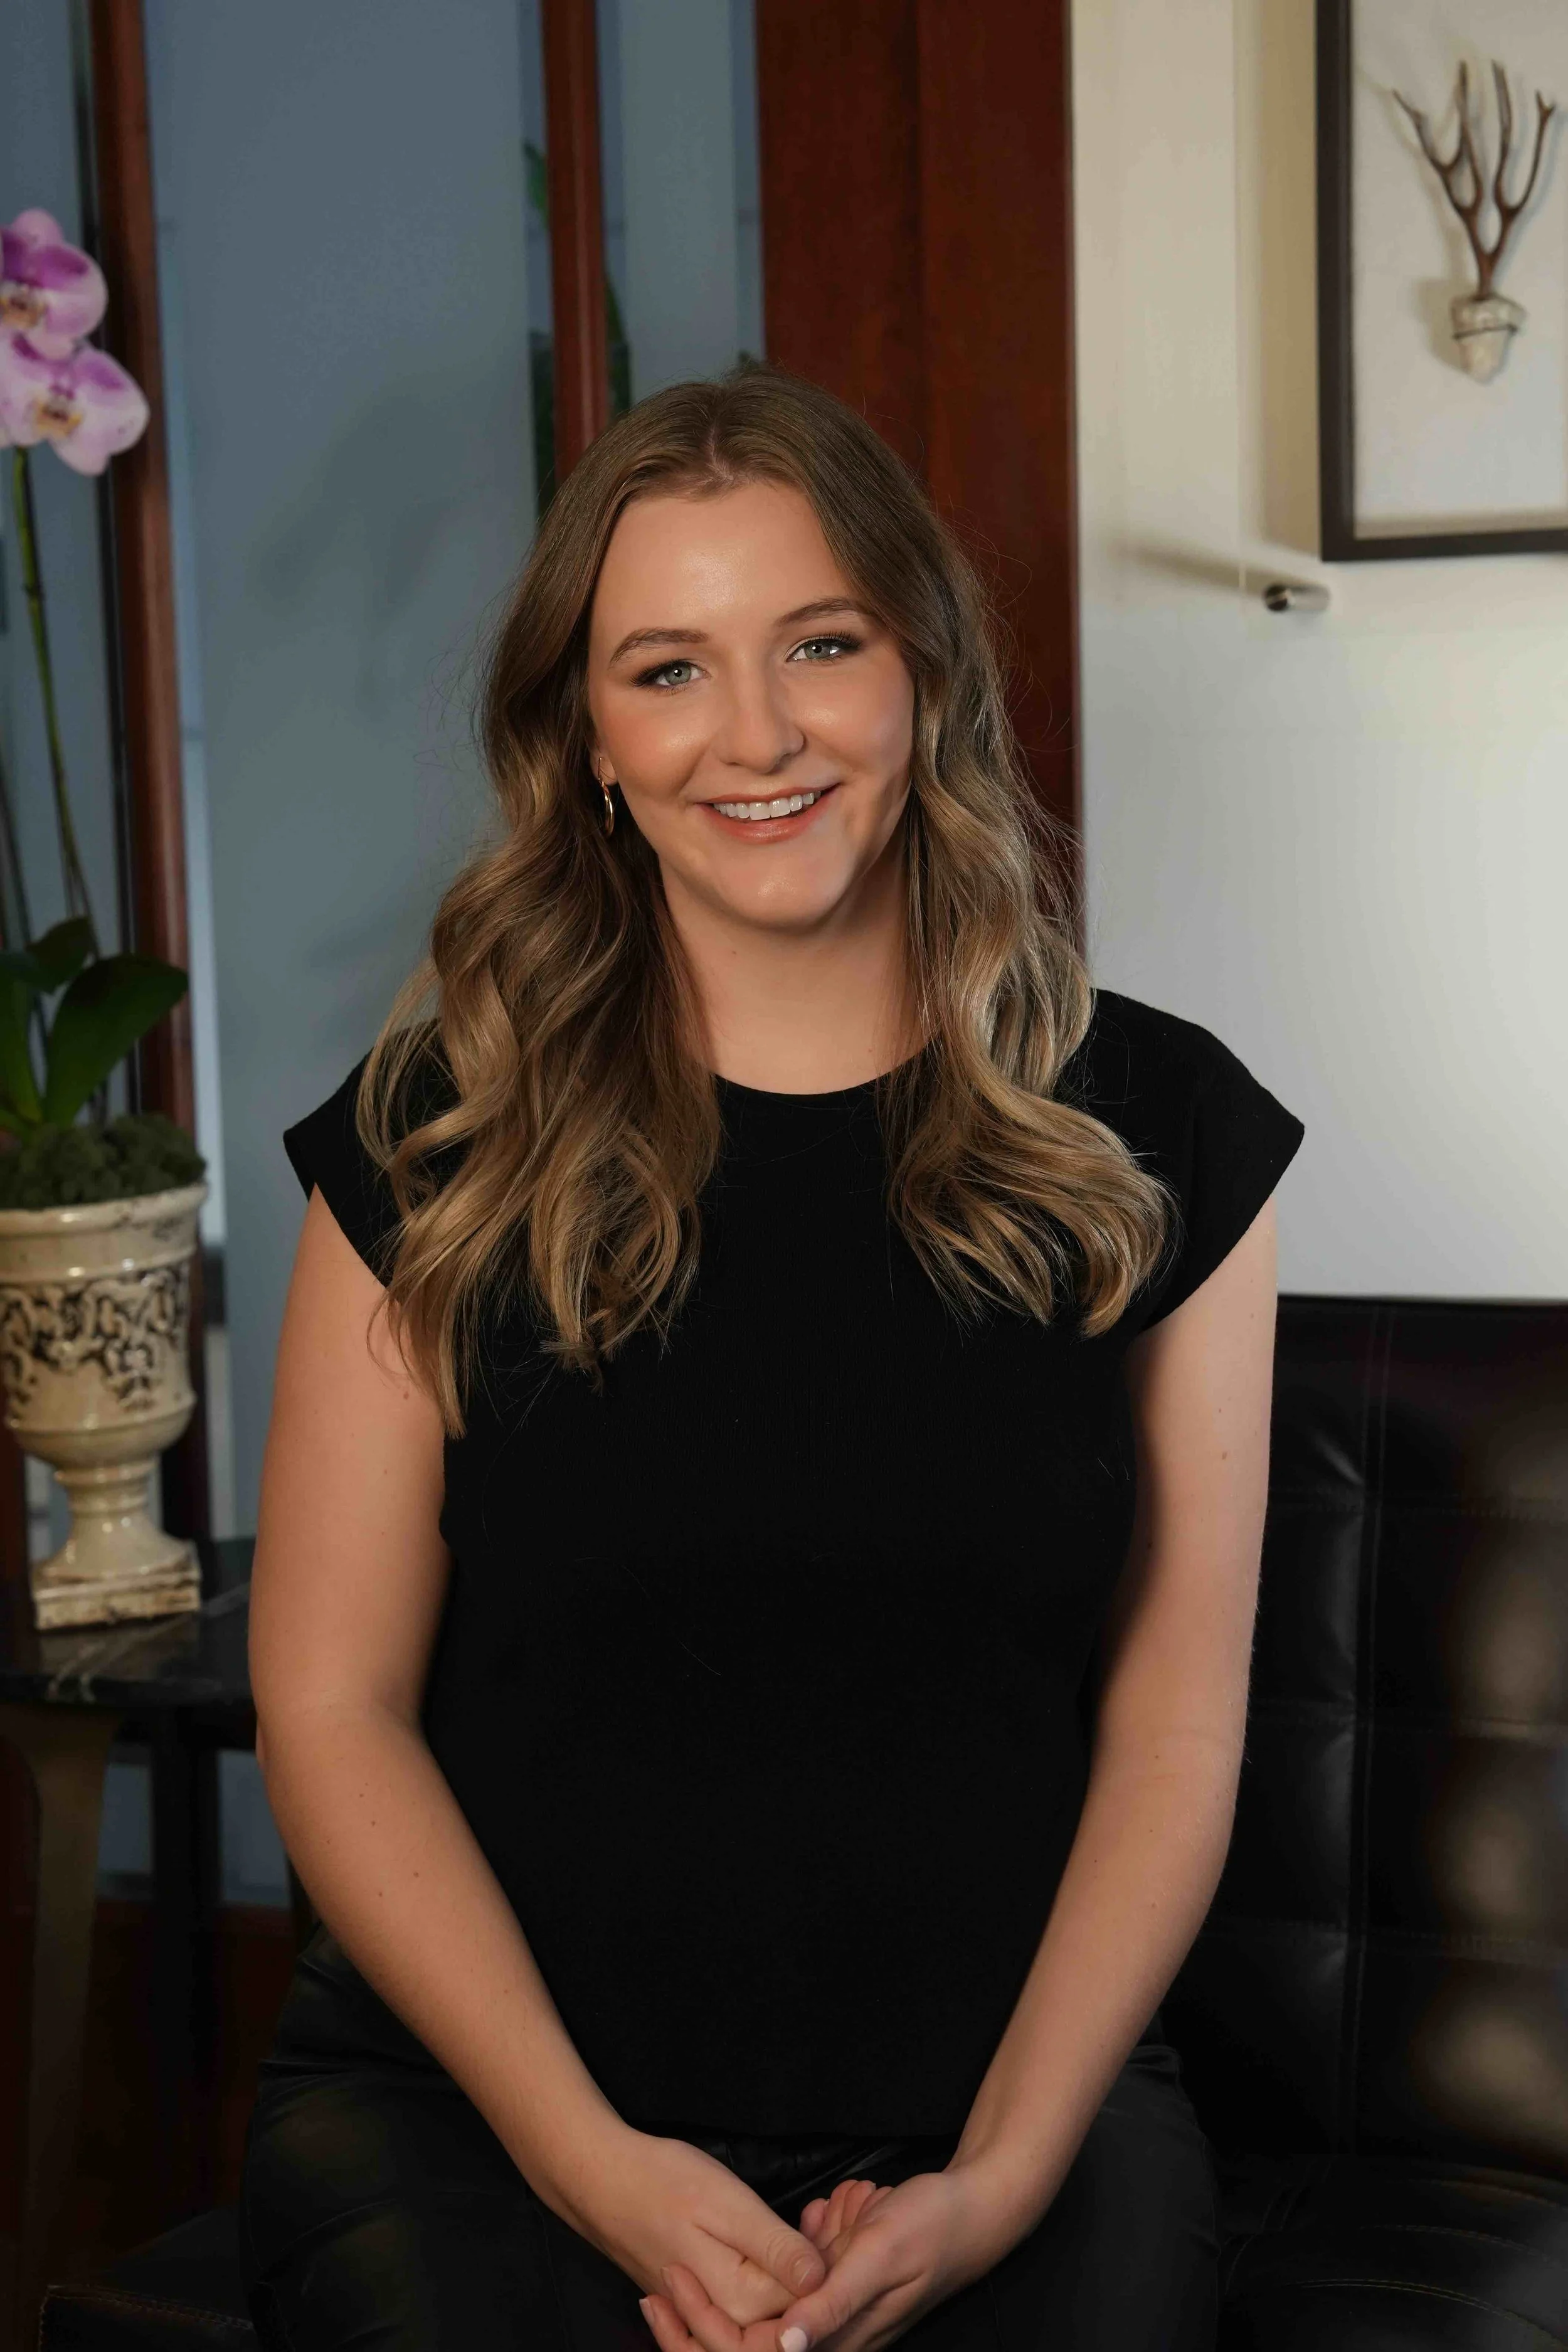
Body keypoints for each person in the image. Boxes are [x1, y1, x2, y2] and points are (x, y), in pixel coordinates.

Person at [238, 363, 1303, 2352]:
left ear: (921, 670)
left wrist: (994, 2181)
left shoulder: (1160, 1132)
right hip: (486, 2123)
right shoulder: (426, 1148)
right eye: (665, 668)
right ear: (588, 741)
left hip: (1007, 2119)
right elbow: (332, 1707)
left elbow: (1174, 1732)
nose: (756, 734)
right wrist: (593, 2164)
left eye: (818, 642)